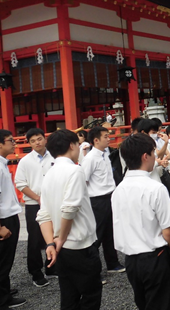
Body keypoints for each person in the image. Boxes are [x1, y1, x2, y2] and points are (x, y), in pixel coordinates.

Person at [112, 133, 170, 310]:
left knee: (144, 303)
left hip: (131, 260)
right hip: (155, 256)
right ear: (145, 156)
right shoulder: (155, 188)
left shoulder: (118, 190)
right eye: (153, 153)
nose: (155, 157)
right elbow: (168, 230)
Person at [37, 129, 102, 308]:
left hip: (60, 247)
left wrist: (51, 243)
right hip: (79, 244)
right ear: (72, 145)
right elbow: (70, 208)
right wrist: (62, 238)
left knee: (69, 295)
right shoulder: (75, 170)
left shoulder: (49, 173)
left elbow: (43, 213)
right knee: (91, 295)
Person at [81, 126, 125, 275]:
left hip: (109, 196)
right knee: (97, 234)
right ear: (96, 140)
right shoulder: (90, 158)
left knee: (109, 232)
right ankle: (92, 269)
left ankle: (112, 263)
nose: (109, 138)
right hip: (97, 200)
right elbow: (83, 181)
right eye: (105, 136)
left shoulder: (105, 154)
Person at [15, 128, 55, 287]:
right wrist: (38, 198)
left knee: (53, 234)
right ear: (29, 143)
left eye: (39, 139)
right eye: (33, 141)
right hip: (34, 204)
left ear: (44, 139)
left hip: (53, 202)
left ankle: (52, 267)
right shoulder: (25, 161)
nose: (37, 142)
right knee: (35, 238)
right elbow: (20, 184)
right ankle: (36, 272)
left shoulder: (54, 157)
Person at [0, 130, 26, 309]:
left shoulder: (3, 163)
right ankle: (3, 300)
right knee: (3, 261)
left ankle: (5, 290)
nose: (14, 143)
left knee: (6, 259)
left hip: (9, 215)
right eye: (10, 140)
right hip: (3, 219)